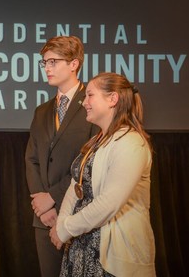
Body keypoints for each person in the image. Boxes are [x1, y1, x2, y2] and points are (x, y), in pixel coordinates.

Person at [49, 72, 156, 276]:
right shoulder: (97, 141)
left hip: (112, 255)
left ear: (112, 99)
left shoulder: (131, 143)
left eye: (90, 95)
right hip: (82, 248)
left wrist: (66, 229)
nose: (84, 103)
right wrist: (61, 224)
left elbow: (109, 203)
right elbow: (76, 187)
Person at [25, 35, 98, 277]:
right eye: (44, 63)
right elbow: (32, 159)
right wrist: (42, 205)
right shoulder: (42, 111)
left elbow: (92, 163)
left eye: (53, 62)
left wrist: (53, 198)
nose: (47, 68)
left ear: (74, 64)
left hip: (79, 214)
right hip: (44, 219)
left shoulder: (93, 103)